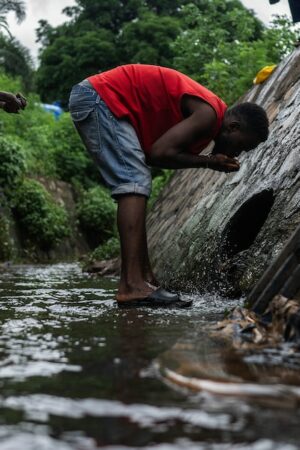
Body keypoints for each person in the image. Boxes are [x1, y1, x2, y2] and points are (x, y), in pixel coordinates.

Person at [69, 64, 269, 308]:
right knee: (133, 181)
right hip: (100, 98)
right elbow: (160, 152)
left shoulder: (211, 115)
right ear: (233, 127)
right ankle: (132, 286)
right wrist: (209, 162)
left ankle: (145, 280)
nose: (237, 152)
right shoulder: (208, 116)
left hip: (99, 99)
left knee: (137, 181)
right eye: (241, 146)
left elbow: (155, 156)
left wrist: (208, 161)